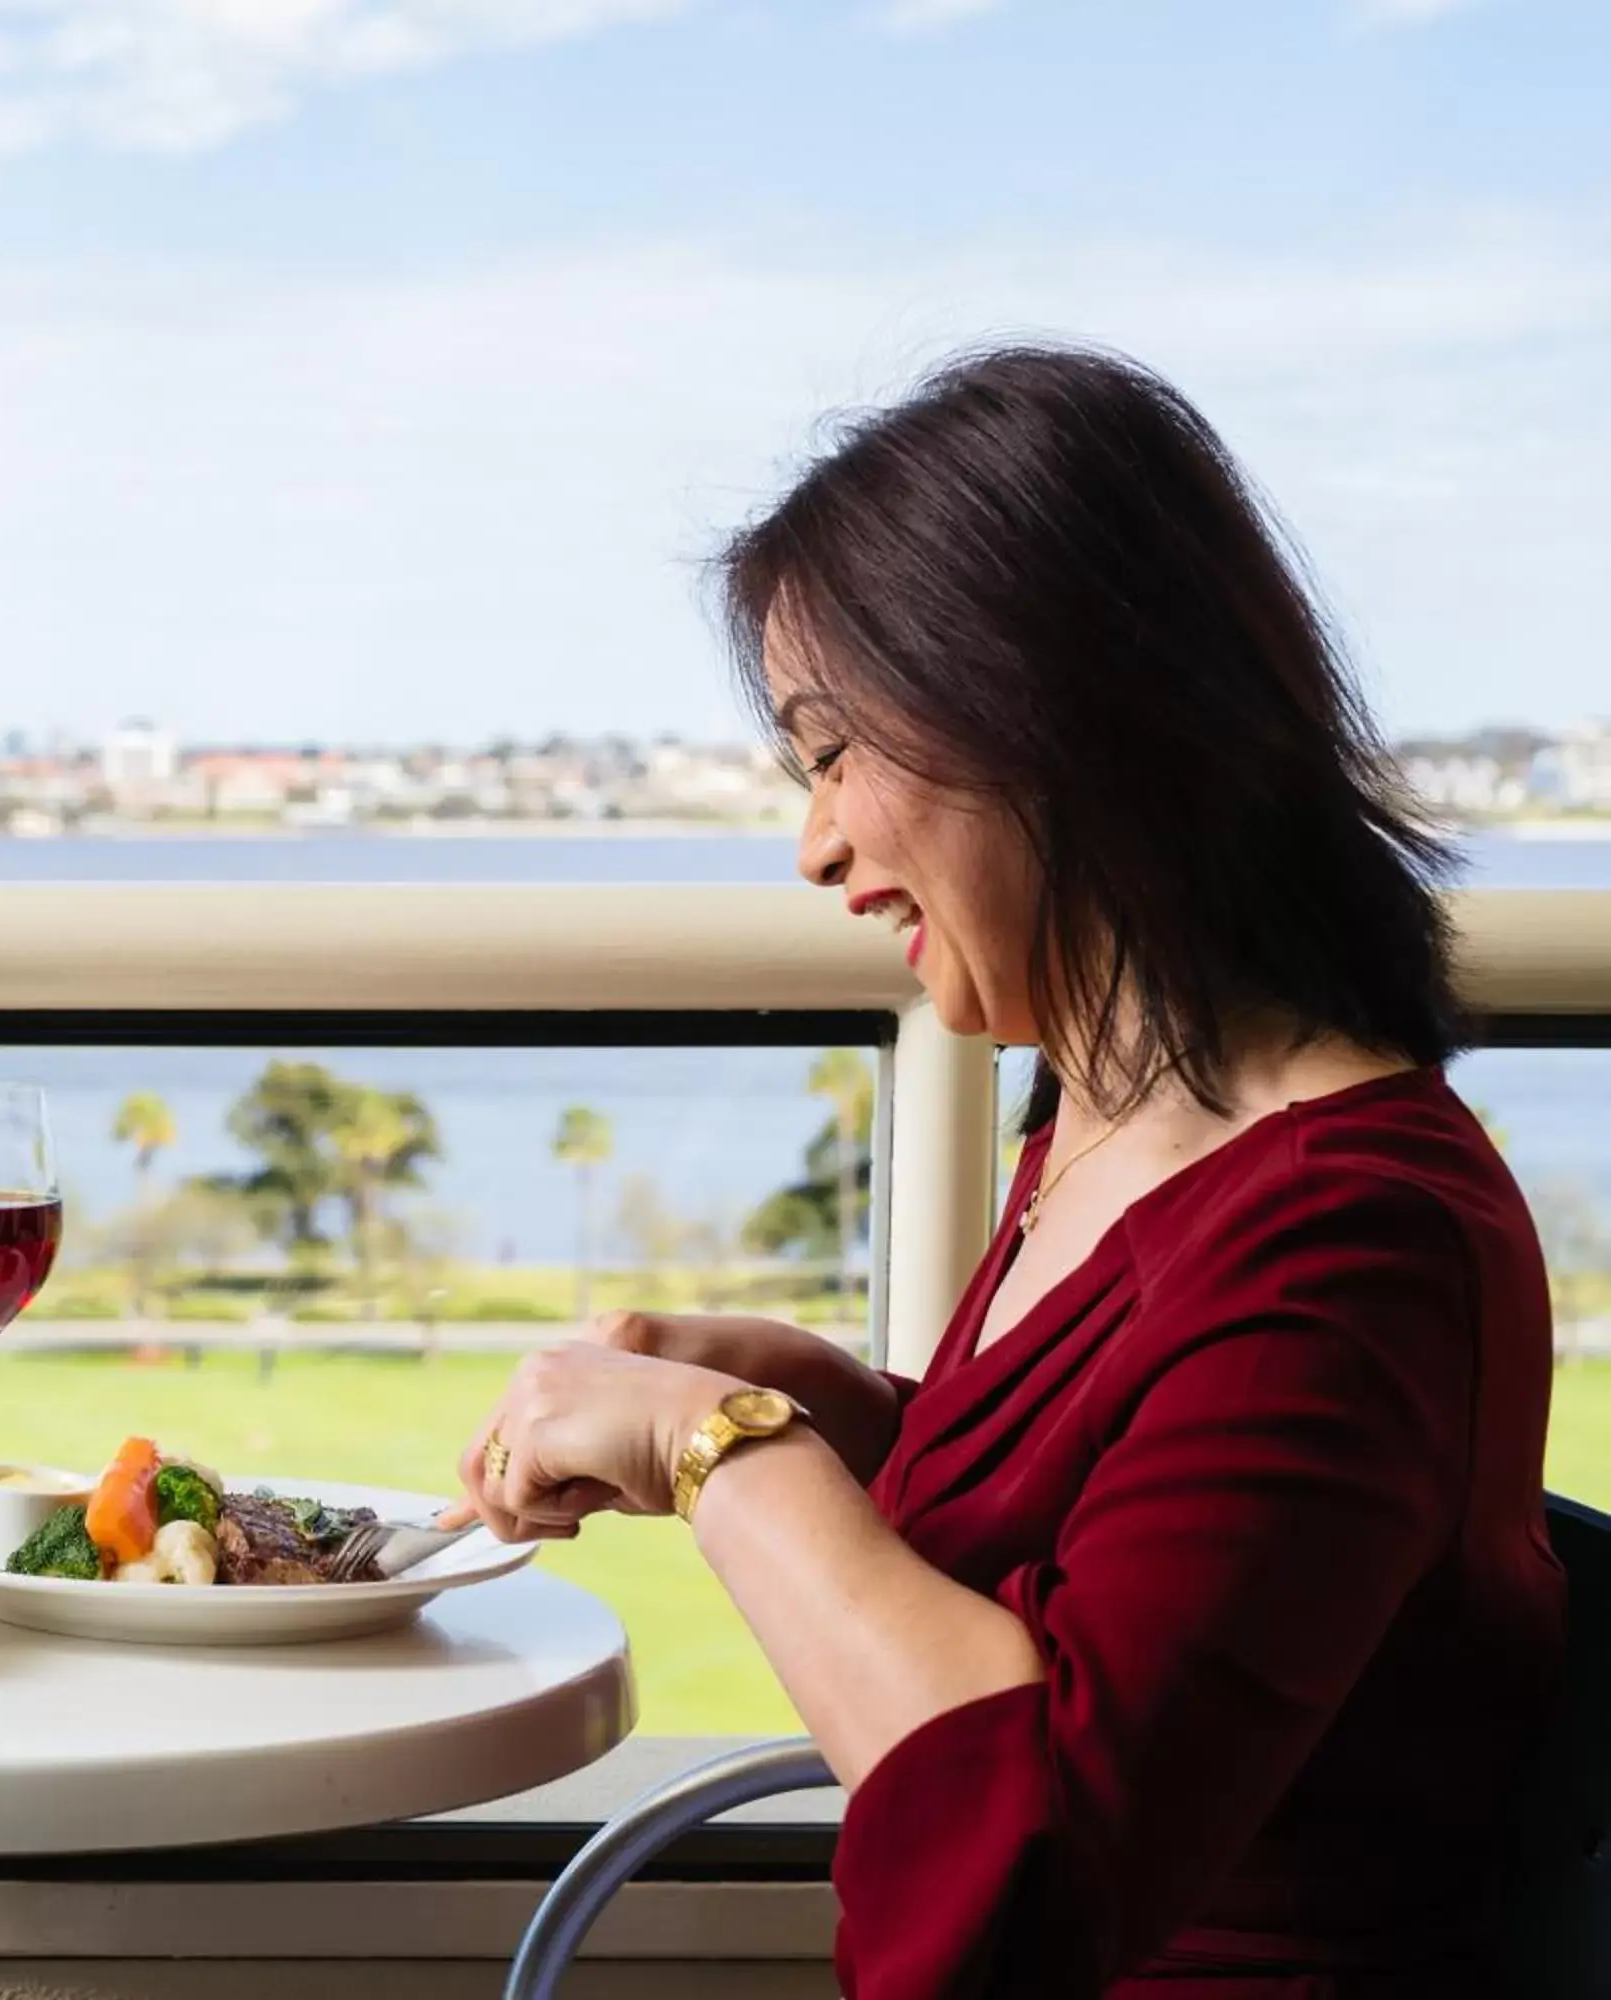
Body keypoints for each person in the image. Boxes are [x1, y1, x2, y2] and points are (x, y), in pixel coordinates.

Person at [452, 345, 1564, 1996]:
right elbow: (1134, 1558)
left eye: (837, 754)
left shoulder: (1358, 1236)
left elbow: (1031, 1878)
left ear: (1041, 712)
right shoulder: (1105, 1115)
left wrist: (722, 1450)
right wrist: (845, 1406)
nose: (814, 844)